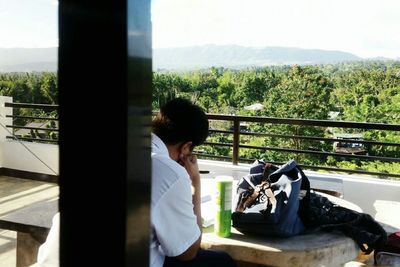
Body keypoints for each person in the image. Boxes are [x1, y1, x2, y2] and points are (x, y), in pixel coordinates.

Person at [151, 98, 236, 267]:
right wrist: (195, 182)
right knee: (223, 262)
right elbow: (188, 252)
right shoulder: (171, 174)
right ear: (186, 147)